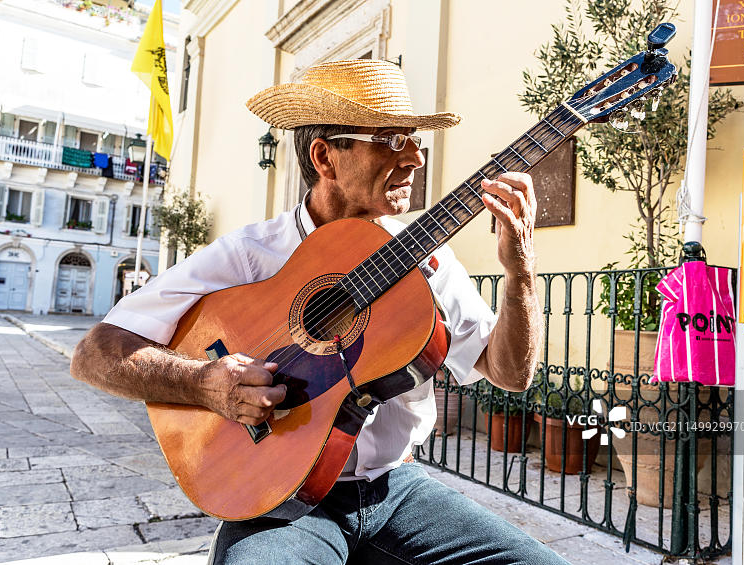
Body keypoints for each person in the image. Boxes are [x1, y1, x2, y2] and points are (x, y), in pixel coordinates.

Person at [71, 59, 569, 565]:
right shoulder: (250, 256)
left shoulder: (428, 260)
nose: (416, 158)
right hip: (279, 500)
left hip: (397, 490)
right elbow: (95, 353)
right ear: (326, 157)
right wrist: (204, 382)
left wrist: (520, 273)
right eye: (393, 140)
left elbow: (510, 373)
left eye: (416, 140)